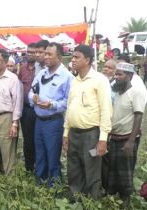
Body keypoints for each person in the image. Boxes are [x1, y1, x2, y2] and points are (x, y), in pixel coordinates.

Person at [63, 45, 112, 200]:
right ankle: (75, 197)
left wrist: (103, 139)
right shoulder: (74, 81)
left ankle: (91, 200)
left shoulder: (100, 80)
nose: (72, 60)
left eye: (77, 57)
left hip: (91, 134)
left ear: (87, 60)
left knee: (91, 169)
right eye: (72, 57)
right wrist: (66, 133)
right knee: (74, 168)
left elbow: (106, 111)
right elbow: (69, 108)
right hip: (74, 134)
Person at [28, 43, 74, 188]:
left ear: (59, 57)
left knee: (53, 155)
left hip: (53, 122)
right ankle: (41, 180)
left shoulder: (67, 77)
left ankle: (55, 185)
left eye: (49, 54)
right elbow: (32, 90)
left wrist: (52, 104)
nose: (45, 57)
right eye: (45, 53)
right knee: (40, 152)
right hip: (39, 121)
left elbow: (68, 101)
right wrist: (33, 98)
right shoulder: (42, 73)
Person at [103, 62, 145, 208]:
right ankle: (114, 196)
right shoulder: (118, 92)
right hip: (114, 137)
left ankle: (125, 199)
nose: (117, 77)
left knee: (125, 170)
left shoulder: (135, 93)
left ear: (129, 76)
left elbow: (139, 116)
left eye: (120, 74)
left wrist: (131, 141)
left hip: (127, 139)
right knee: (113, 168)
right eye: (116, 74)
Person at [18, 42, 37, 172]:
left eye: (33, 52)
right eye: (28, 52)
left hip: (39, 109)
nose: (30, 54)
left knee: (38, 137)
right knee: (27, 138)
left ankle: (39, 164)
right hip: (25, 109)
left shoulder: (41, 69)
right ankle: (29, 166)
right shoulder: (23, 68)